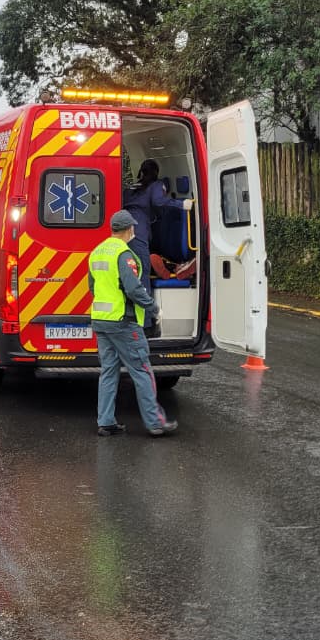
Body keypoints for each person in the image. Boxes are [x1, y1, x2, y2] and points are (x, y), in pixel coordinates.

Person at [88, 210, 178, 438]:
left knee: (108, 372)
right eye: (133, 228)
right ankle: (155, 423)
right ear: (128, 229)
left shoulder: (97, 252)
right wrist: (153, 308)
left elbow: (92, 287)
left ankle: (106, 422)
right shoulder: (124, 254)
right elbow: (133, 289)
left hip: (101, 321)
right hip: (123, 322)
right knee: (142, 370)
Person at [123, 160, 193, 329]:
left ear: (140, 172)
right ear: (156, 172)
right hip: (138, 232)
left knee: (128, 273)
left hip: (122, 232)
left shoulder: (130, 188)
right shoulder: (155, 186)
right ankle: (146, 323)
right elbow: (159, 202)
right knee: (142, 274)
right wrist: (182, 204)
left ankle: (128, 317)